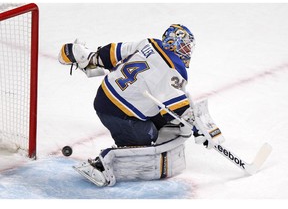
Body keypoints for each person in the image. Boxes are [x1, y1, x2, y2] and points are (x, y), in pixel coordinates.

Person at [58, 24, 205, 186]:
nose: (187, 51)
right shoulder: (172, 68)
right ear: (173, 43)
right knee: (146, 140)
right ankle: (101, 163)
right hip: (116, 112)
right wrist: (198, 128)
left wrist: (91, 58)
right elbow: (179, 108)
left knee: (168, 122)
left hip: (108, 95)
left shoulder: (150, 43)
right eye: (184, 46)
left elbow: (113, 53)